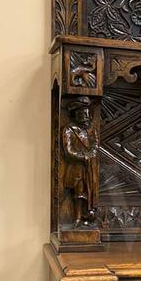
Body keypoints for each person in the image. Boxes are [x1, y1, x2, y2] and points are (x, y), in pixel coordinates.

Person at [62, 96, 99, 226]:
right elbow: (68, 151)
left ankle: (88, 214)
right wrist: (83, 156)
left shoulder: (91, 129)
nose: (86, 118)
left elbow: (95, 144)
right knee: (79, 192)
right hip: (77, 168)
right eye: (83, 115)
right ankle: (77, 218)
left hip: (90, 167)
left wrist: (92, 153)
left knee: (90, 191)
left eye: (88, 115)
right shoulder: (69, 130)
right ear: (76, 115)